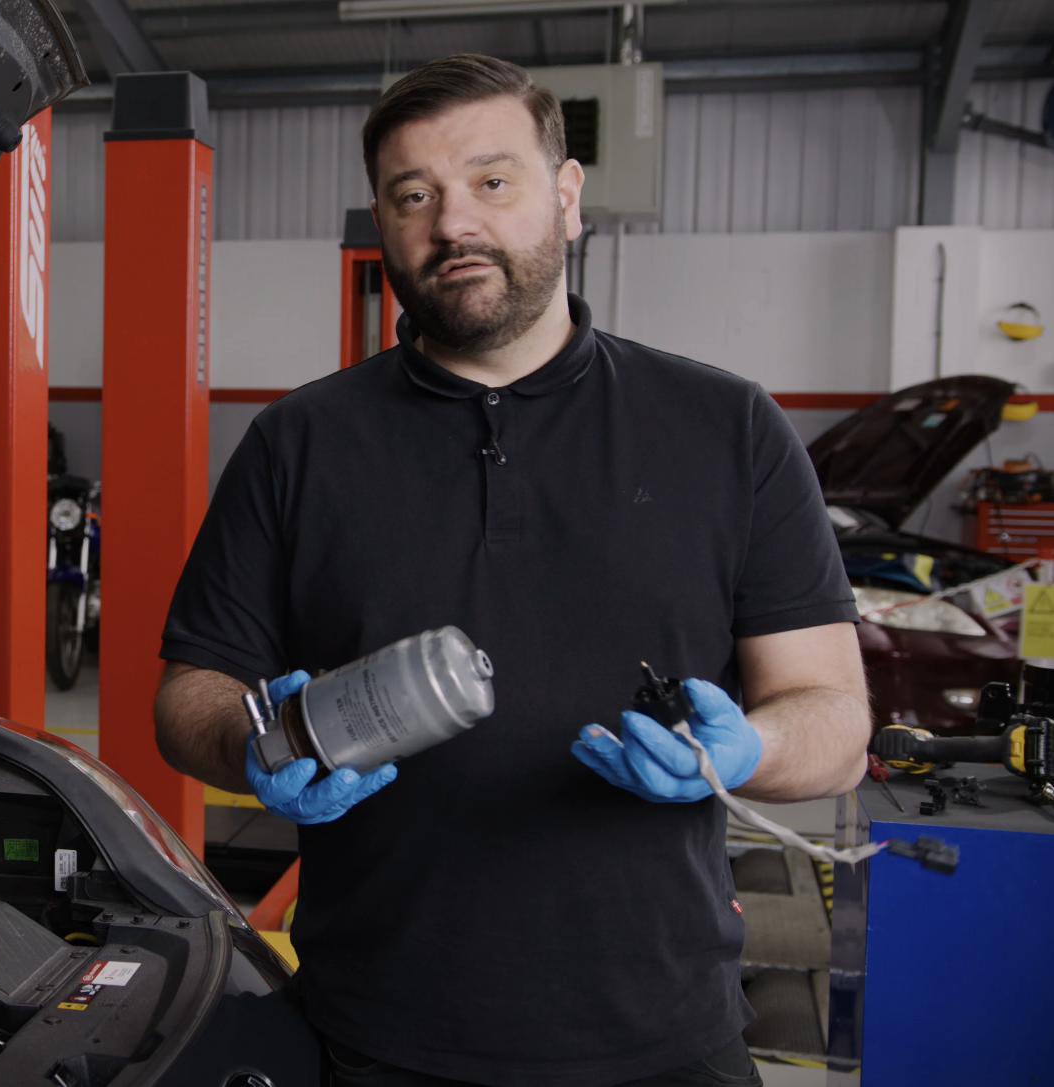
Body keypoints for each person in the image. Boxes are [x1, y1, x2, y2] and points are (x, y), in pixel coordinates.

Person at [153, 54, 868, 1087]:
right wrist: (252, 742)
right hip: (372, 1036)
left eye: (492, 182)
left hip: (660, 1038)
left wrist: (745, 746)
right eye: (414, 195)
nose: (452, 225)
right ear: (382, 222)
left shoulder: (724, 429)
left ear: (566, 197)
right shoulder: (298, 443)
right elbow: (187, 695)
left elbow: (835, 721)